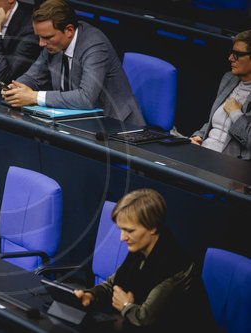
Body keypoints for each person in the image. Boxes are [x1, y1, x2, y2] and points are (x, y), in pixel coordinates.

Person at [74, 189, 216, 332]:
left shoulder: (176, 266)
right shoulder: (140, 250)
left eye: (129, 231)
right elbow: (114, 284)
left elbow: (144, 318)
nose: (122, 238)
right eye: (121, 230)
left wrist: (125, 305)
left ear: (152, 228)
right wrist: (91, 295)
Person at [1, 0, 146, 126]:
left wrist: (34, 97)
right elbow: (32, 77)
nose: (41, 43)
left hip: (118, 126)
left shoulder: (94, 45)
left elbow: (86, 98)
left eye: (46, 37)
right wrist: (15, 90)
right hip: (80, 121)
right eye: (38, 37)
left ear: (69, 30)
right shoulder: (52, 43)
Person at [190, 29, 251, 160]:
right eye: (231, 53)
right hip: (204, 152)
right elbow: (213, 122)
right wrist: (199, 136)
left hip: (231, 164)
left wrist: (236, 114)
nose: (230, 58)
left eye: (237, 54)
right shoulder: (229, 79)